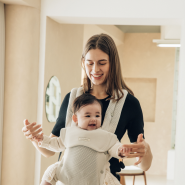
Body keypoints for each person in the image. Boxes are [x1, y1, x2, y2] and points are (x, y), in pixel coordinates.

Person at [22, 33, 152, 182]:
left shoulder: (129, 103)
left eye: (102, 63)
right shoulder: (72, 99)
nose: (95, 69)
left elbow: (144, 165)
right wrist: (34, 138)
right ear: (83, 62)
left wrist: (146, 151)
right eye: (90, 63)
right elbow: (50, 151)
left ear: (113, 63)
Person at [33, 93, 129, 185]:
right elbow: (56, 143)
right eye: (88, 115)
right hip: (67, 176)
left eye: (97, 115)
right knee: (51, 172)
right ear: (75, 119)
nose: (93, 119)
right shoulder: (69, 132)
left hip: (95, 179)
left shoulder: (106, 136)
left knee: (110, 180)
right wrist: (41, 139)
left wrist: (121, 150)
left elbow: (114, 147)